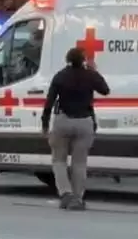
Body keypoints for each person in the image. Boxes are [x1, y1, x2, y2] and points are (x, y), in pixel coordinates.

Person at [42, 47, 110, 210]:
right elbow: (105, 90)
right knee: (79, 163)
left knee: (59, 160)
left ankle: (66, 194)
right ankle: (78, 198)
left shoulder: (60, 76)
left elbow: (49, 102)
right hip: (85, 122)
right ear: (83, 60)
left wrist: (45, 123)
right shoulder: (90, 75)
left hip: (63, 121)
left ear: (67, 59)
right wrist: (94, 70)